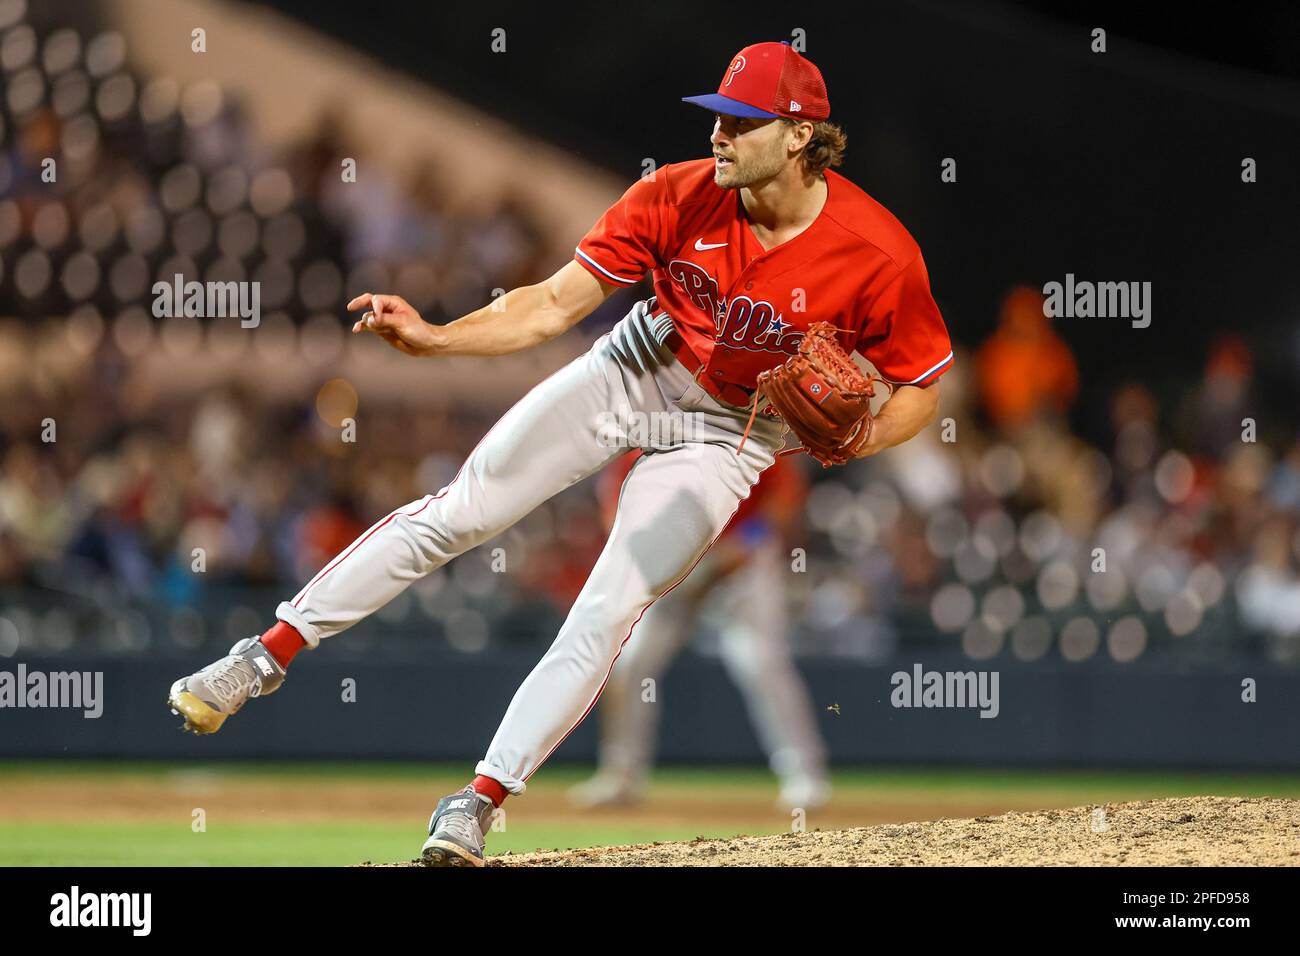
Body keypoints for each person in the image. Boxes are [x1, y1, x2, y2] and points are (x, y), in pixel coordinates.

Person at [167, 40, 953, 866]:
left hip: (734, 434)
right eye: (716, 119)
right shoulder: (674, 194)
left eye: (740, 122)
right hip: (640, 367)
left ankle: (478, 801)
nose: (718, 136)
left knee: (608, 609)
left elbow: (922, 390)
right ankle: (263, 657)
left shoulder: (878, 252)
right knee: (462, 511)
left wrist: (866, 433)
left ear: (798, 136)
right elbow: (549, 305)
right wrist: (437, 340)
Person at [570, 451, 830, 813]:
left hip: (738, 567)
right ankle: (621, 775)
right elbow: (616, 516)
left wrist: (748, 543)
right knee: (629, 664)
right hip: (670, 568)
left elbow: (784, 498)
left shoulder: (748, 432)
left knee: (759, 664)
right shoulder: (646, 441)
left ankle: (803, 775)